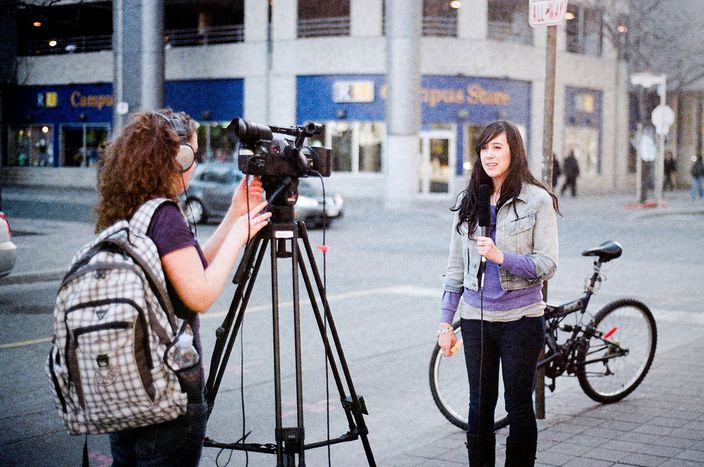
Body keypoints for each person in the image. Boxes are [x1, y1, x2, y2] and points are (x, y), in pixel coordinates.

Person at [95, 108, 271, 466]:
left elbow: (191, 268)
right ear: (177, 157)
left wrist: (235, 214)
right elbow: (200, 294)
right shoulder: (166, 216)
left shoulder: (136, 211)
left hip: (130, 387)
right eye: (191, 151)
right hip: (166, 396)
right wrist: (241, 235)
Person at [438, 120, 559, 466]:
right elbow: (455, 270)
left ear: (513, 151)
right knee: (479, 404)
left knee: (518, 404)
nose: (489, 155)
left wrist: (501, 257)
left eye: (498, 147)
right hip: (476, 320)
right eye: (484, 148)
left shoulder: (537, 200)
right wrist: (445, 324)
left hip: (521, 321)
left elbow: (547, 264)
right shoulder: (469, 202)